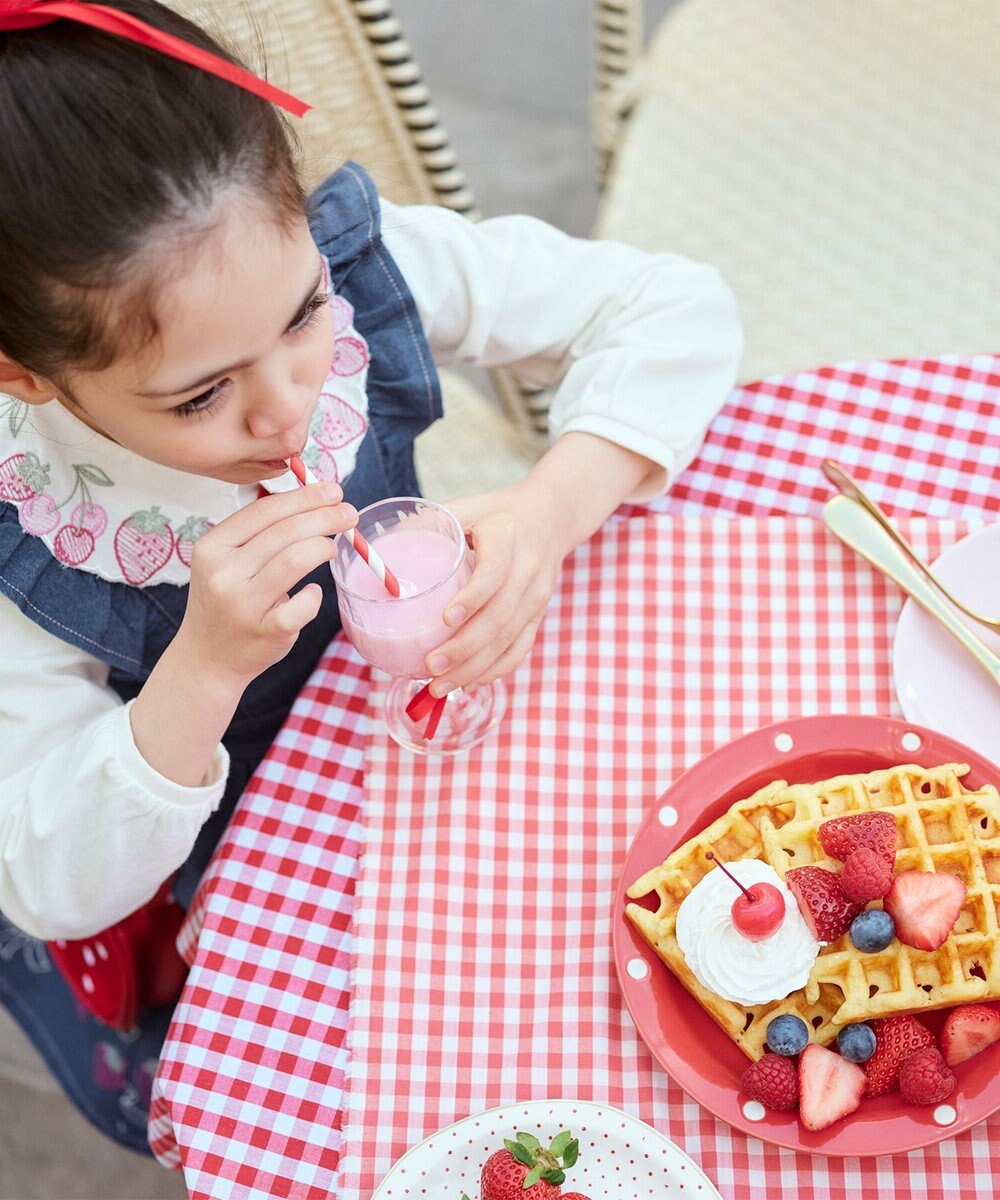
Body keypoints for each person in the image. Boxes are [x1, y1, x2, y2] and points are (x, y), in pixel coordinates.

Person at [0, 0, 741, 1154]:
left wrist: (550, 511)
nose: (290, 402)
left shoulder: (363, 268)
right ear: (29, 377)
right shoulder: (39, 533)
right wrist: (197, 669)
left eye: (302, 318)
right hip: (254, 871)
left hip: (453, 765)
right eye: (201, 396)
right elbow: (44, 874)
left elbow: (668, 306)